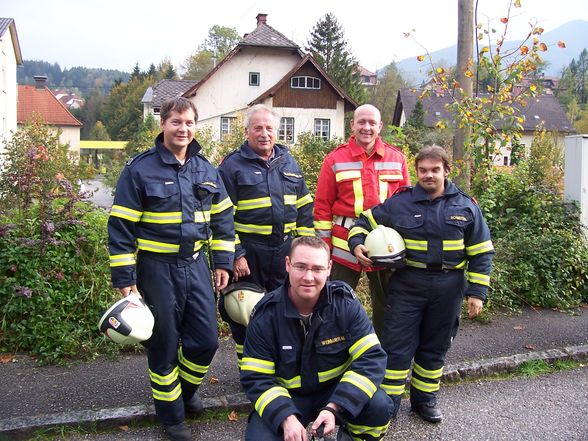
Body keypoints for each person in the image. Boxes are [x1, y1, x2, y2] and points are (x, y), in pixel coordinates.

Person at [107, 97, 235, 441]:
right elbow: (120, 228)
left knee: (206, 341)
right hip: (156, 269)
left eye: (189, 123)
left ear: (196, 126)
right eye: (176, 122)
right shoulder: (140, 169)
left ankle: (184, 392)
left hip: (196, 265)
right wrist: (125, 279)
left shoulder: (206, 169)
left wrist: (222, 261)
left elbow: (224, 219)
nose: (183, 129)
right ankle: (171, 418)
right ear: (163, 124)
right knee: (163, 345)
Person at [348, 145, 495, 424]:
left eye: (435, 170)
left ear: (446, 171)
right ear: (416, 172)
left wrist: (477, 293)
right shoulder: (400, 202)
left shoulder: (466, 206)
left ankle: (424, 401)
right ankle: (388, 403)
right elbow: (362, 222)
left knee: (434, 346)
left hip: (449, 286)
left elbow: (482, 251)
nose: (428, 175)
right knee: (396, 346)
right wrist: (357, 244)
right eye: (423, 170)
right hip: (407, 284)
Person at [240, 236, 395, 441]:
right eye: (301, 267)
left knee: (380, 406)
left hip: (335, 392)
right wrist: (285, 417)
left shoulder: (345, 306)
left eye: (317, 269)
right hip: (288, 397)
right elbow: (257, 378)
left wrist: (335, 407)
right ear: (288, 264)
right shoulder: (265, 316)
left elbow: (371, 359)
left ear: (329, 268)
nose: (308, 276)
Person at [217, 104, 314, 367]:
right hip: (249, 254)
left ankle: (279, 367)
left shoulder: (289, 162)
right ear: (247, 131)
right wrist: (236, 254)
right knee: (243, 313)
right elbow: (222, 217)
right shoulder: (231, 166)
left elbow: (305, 207)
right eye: (257, 128)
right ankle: (249, 372)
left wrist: (303, 250)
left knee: (284, 311)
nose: (264, 133)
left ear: (277, 131)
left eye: (269, 128)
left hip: (284, 252)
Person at [313, 104, 410, 339]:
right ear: (352, 125)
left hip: (386, 243)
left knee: (387, 305)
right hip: (344, 246)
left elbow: (407, 204)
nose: (366, 127)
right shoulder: (335, 160)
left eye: (372, 123)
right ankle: (334, 353)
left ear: (380, 126)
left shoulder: (397, 159)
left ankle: (384, 357)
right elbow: (322, 206)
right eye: (361, 122)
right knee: (335, 302)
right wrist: (325, 247)